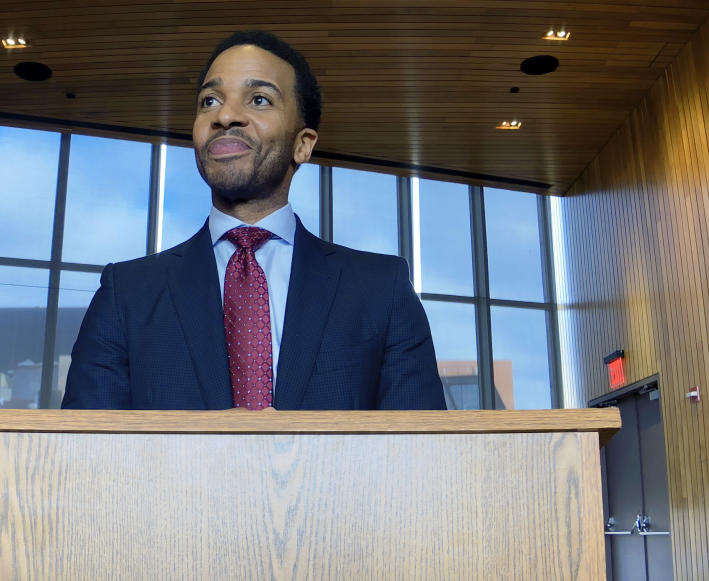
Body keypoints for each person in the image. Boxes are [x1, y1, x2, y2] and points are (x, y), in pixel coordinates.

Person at [62, 30, 446, 411]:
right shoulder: (125, 295)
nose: (225, 116)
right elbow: (84, 460)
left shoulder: (382, 290)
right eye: (209, 101)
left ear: (303, 144)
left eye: (259, 99)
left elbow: (421, 456)